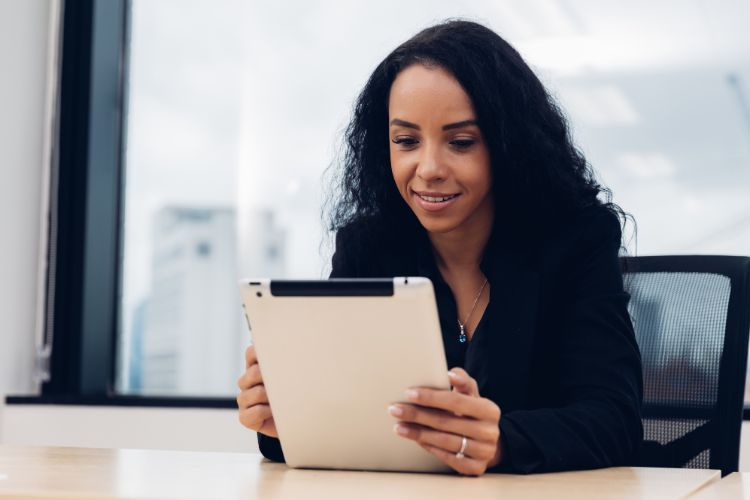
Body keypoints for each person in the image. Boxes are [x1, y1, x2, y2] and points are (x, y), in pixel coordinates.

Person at [236, 19, 643, 476]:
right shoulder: (367, 248)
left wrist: (503, 443)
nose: (428, 168)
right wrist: (281, 420)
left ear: (508, 145)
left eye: (461, 142)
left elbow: (616, 421)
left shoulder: (576, 241)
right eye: (406, 141)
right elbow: (345, 426)